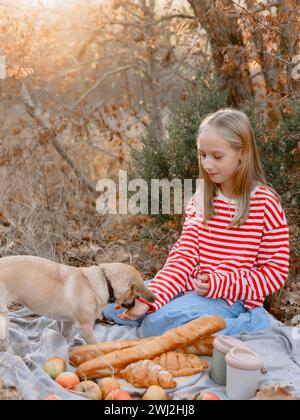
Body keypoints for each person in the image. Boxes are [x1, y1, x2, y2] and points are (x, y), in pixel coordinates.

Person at [103, 108, 290, 337]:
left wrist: (219, 285)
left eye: (217, 156)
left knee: (155, 324)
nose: (208, 164)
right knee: (113, 304)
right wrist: (150, 300)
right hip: (192, 292)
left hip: (233, 301)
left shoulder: (264, 204)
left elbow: (275, 272)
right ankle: (166, 318)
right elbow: (183, 259)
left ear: (243, 153)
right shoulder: (201, 200)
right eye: (203, 155)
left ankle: (253, 324)